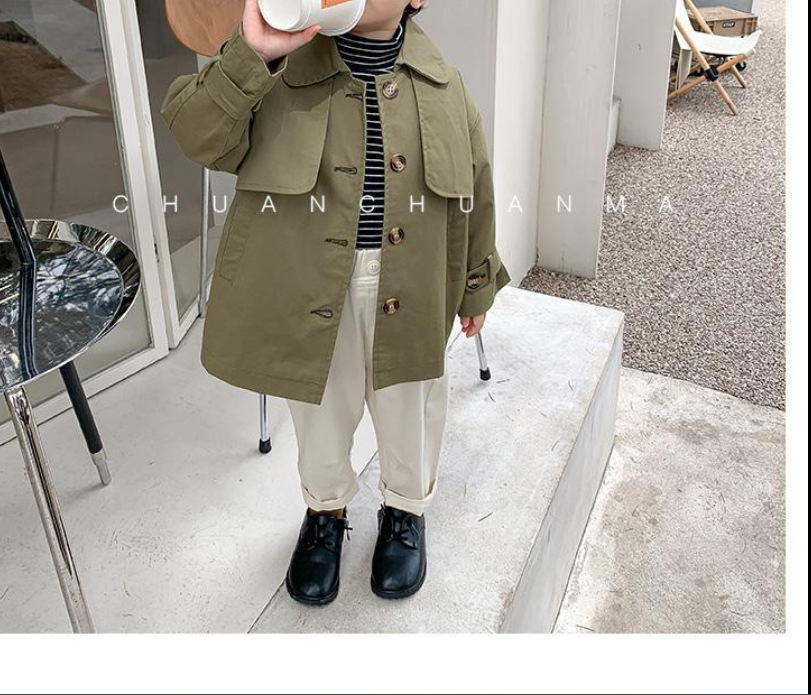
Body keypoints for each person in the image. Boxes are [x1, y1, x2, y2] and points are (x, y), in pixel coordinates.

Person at [160, 0, 511, 606]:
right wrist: (251, 55)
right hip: (310, 284)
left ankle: (405, 511)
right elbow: (195, 134)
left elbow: (474, 190)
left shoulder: (446, 87)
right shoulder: (276, 74)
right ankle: (325, 512)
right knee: (318, 413)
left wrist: (476, 283)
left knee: (410, 411)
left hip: (413, 285)